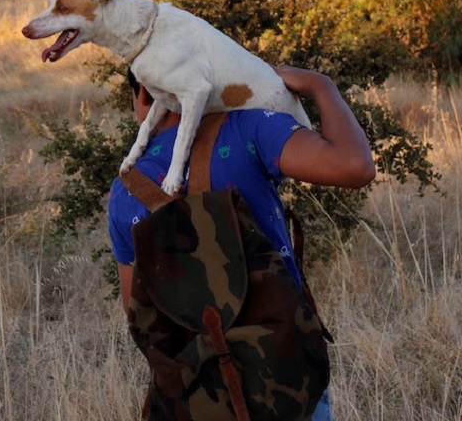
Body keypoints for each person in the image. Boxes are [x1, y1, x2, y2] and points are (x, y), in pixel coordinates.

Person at [108, 65, 376, 421]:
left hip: (197, 390)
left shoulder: (126, 188)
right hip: (284, 369)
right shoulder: (249, 128)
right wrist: (322, 86)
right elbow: (355, 166)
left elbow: (137, 312)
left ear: (143, 91)